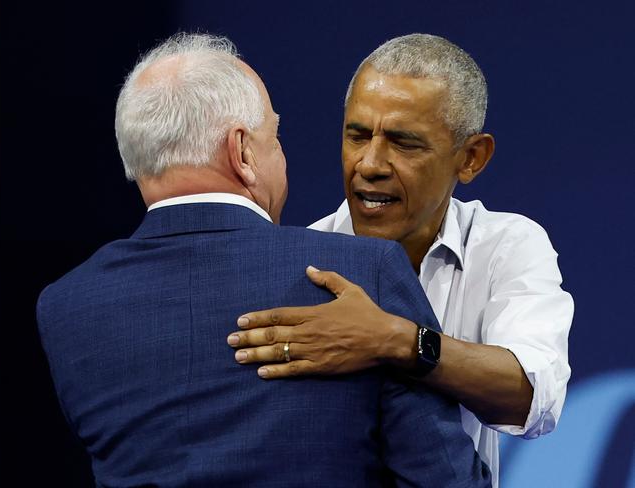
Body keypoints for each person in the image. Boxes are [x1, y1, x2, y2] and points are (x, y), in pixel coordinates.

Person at [36, 33, 491, 487]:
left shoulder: (65, 306)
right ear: (243, 153)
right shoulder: (361, 273)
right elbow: (445, 479)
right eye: (275, 138)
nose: (282, 156)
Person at [228, 34, 573, 486]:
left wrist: (396, 340)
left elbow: (531, 399)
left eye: (404, 143)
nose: (370, 163)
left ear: (471, 158)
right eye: (357, 135)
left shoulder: (507, 245)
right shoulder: (298, 256)